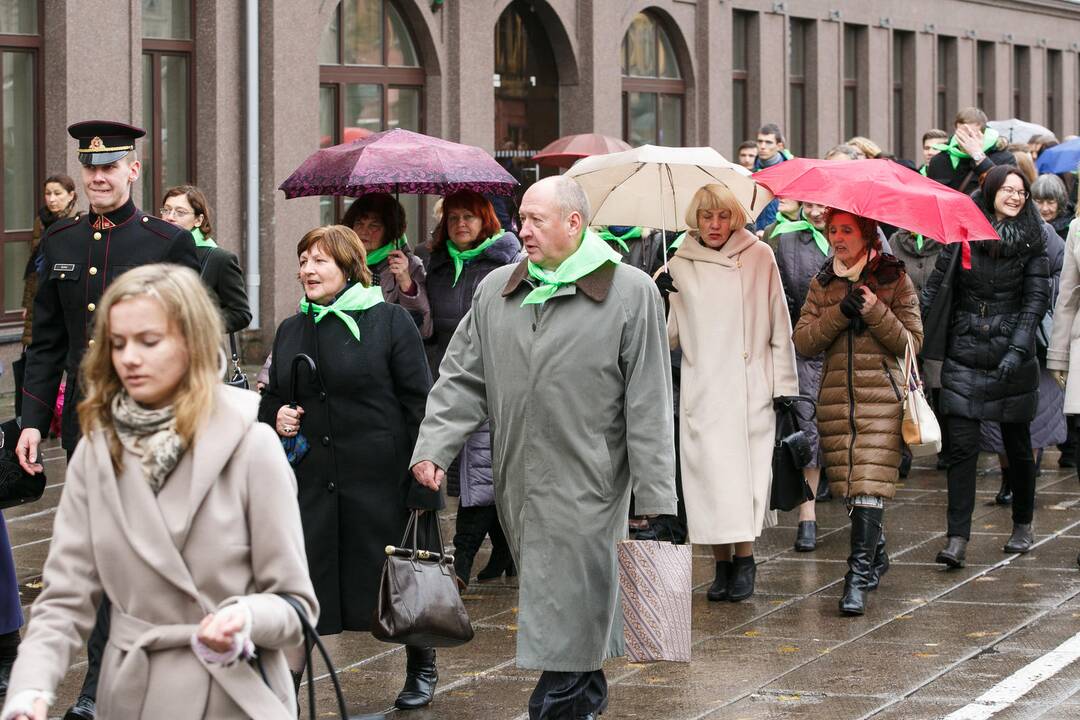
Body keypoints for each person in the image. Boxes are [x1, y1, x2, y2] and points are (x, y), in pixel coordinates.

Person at [410, 175, 676, 720]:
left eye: (535, 220)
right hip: (517, 482)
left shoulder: (629, 291)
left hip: (590, 484)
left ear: (574, 224)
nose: (521, 231)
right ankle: (584, 701)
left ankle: (555, 707)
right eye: (522, 219)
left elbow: (649, 402)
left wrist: (657, 501)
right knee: (569, 608)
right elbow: (462, 377)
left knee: (568, 609)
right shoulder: (497, 291)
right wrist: (434, 446)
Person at [0, 264, 317, 720]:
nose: (129, 357)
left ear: (192, 342)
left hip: (235, 695)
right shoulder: (96, 451)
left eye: (149, 341)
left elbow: (295, 604)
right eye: (118, 343)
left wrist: (246, 617)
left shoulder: (252, 444)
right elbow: (65, 600)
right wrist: (30, 690)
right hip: (134, 697)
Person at [14, 121, 199, 720]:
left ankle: (108, 682)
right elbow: (45, 341)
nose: (98, 177)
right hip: (88, 426)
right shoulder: (62, 240)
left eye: (110, 167)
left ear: (133, 170)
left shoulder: (166, 242)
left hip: (152, 424)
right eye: (89, 168)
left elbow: (193, 338)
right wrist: (32, 420)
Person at [257, 225, 440, 711]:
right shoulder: (293, 327)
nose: (307, 270)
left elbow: (418, 402)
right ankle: (284, 689)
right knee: (303, 585)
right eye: (303, 260)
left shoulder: (388, 322)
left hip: (379, 479)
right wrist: (276, 413)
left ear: (348, 266)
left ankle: (421, 660)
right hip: (315, 482)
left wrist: (425, 471)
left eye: (319, 260)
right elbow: (273, 392)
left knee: (400, 579)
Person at [660, 184, 798, 602]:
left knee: (741, 481)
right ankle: (721, 562)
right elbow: (666, 339)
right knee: (707, 482)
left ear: (735, 218)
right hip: (702, 389)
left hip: (748, 387)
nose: (715, 225)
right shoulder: (677, 264)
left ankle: (745, 560)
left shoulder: (760, 256)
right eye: (706, 217)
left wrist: (784, 386)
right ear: (695, 219)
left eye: (722, 216)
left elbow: (779, 324)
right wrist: (657, 297)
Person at [793, 209, 923, 616]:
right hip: (834, 400)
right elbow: (804, 342)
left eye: (846, 230)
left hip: (881, 400)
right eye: (832, 230)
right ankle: (877, 552)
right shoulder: (823, 281)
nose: (837, 238)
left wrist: (873, 309)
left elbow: (911, 343)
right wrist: (840, 313)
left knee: (866, 482)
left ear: (866, 233)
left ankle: (856, 578)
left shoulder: (893, 278)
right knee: (852, 486)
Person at [921, 165, 1050, 567]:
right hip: (964, 347)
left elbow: (1035, 301)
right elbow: (937, 288)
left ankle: (1023, 523)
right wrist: (916, 333)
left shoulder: (1033, 238)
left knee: (1017, 446)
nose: (1015, 197)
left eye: (1021, 192)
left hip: (1012, 348)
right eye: (1008, 190)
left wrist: (1017, 349)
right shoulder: (962, 231)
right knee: (961, 448)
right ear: (990, 190)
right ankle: (957, 538)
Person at [424, 190, 522, 587]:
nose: (461, 224)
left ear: (486, 221)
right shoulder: (437, 265)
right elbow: (427, 325)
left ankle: (460, 562)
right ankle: (505, 550)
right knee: (471, 474)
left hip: (488, 376)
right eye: (453, 218)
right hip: (446, 374)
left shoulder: (506, 264)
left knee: (478, 473)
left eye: (469, 217)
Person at [771, 201, 833, 549]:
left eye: (822, 204)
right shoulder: (788, 240)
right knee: (807, 427)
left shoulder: (863, 236)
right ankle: (807, 515)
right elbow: (777, 296)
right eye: (809, 203)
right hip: (805, 346)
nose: (816, 210)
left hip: (847, 346)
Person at [16, 175, 79, 416]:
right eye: (48, 194)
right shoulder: (41, 221)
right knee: (34, 356)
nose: (51, 199)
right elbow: (34, 266)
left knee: (65, 359)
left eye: (58, 193)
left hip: (64, 297)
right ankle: (33, 416)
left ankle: (62, 412)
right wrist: (26, 302)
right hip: (38, 295)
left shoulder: (78, 222)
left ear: (71, 195)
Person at [160, 185, 252, 333]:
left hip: (197, 351)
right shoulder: (152, 250)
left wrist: (199, 324)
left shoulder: (220, 259)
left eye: (180, 212)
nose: (170, 217)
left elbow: (241, 314)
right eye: (166, 210)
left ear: (198, 220)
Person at [342, 193, 432, 338]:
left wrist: (406, 283)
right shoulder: (342, 262)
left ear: (390, 229)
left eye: (374, 225)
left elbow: (424, 330)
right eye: (359, 223)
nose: (364, 231)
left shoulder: (409, 264)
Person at [927, 107, 1015, 195]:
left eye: (971, 135)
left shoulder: (1003, 158)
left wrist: (977, 156)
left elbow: (1006, 189)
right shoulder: (939, 160)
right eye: (962, 134)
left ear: (983, 135)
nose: (966, 139)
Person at [752, 123, 794, 232]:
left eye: (768, 142)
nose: (762, 146)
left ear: (779, 146)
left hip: (783, 232)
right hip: (755, 235)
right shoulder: (750, 173)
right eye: (760, 141)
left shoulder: (792, 172)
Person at [1032, 174, 1074, 240]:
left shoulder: (1072, 228)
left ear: (1060, 202)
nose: (1044, 208)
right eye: (1039, 202)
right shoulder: (1026, 224)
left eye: (1050, 202)